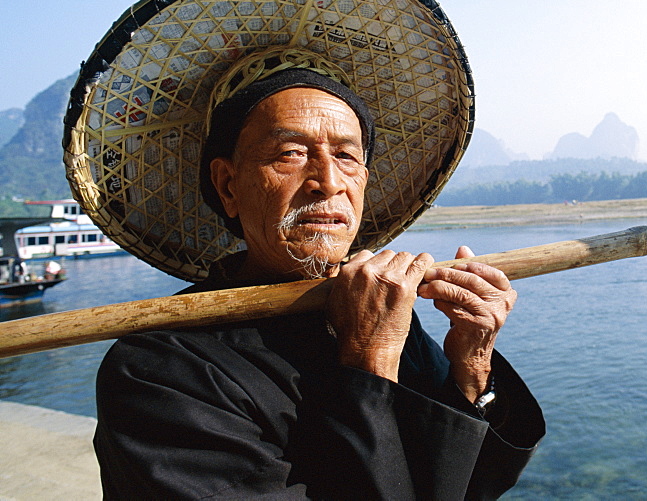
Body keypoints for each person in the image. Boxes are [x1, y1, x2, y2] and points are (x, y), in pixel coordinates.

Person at [92, 70, 545, 498]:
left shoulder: (383, 315)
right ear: (228, 185)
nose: (328, 182)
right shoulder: (161, 371)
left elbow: (466, 487)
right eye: (290, 153)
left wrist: (471, 366)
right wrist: (369, 360)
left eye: (347, 157)